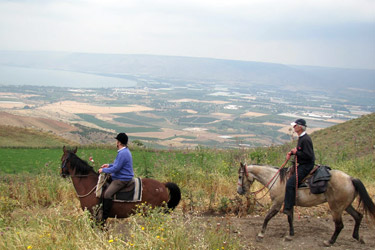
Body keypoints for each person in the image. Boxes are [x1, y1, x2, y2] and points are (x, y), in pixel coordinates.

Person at [99, 132, 134, 222]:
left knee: (107, 194)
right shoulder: (124, 151)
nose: (116, 142)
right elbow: (117, 165)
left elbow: (116, 168)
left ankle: (104, 217)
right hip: (120, 175)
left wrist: (103, 170)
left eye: (117, 141)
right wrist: (108, 165)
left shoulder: (123, 153)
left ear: (119, 142)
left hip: (122, 179)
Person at [283, 118, 315, 216]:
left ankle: (288, 207)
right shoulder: (301, 138)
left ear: (300, 127)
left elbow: (309, 155)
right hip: (302, 164)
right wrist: (292, 152)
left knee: (290, 184)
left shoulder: (305, 139)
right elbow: (301, 150)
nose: (294, 127)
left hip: (306, 165)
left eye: (295, 125)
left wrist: (297, 152)